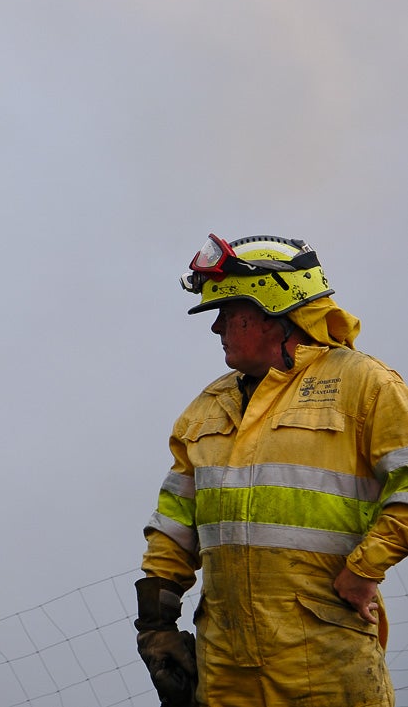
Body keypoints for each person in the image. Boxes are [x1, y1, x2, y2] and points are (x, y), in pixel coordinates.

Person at [136, 233, 408, 707]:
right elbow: (174, 525)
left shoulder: (364, 384)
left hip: (326, 657)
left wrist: (366, 569)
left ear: (273, 313)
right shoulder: (207, 408)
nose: (216, 328)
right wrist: (156, 627)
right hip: (224, 668)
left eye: (227, 314)